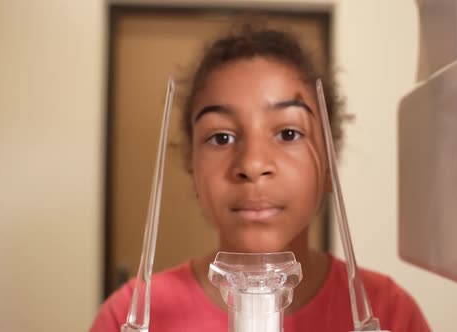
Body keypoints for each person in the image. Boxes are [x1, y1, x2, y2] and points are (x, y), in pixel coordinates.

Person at [91, 25, 431, 332]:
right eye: (221, 138)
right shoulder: (123, 314)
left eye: (287, 133)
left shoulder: (390, 311)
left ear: (328, 166)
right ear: (192, 170)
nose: (253, 164)